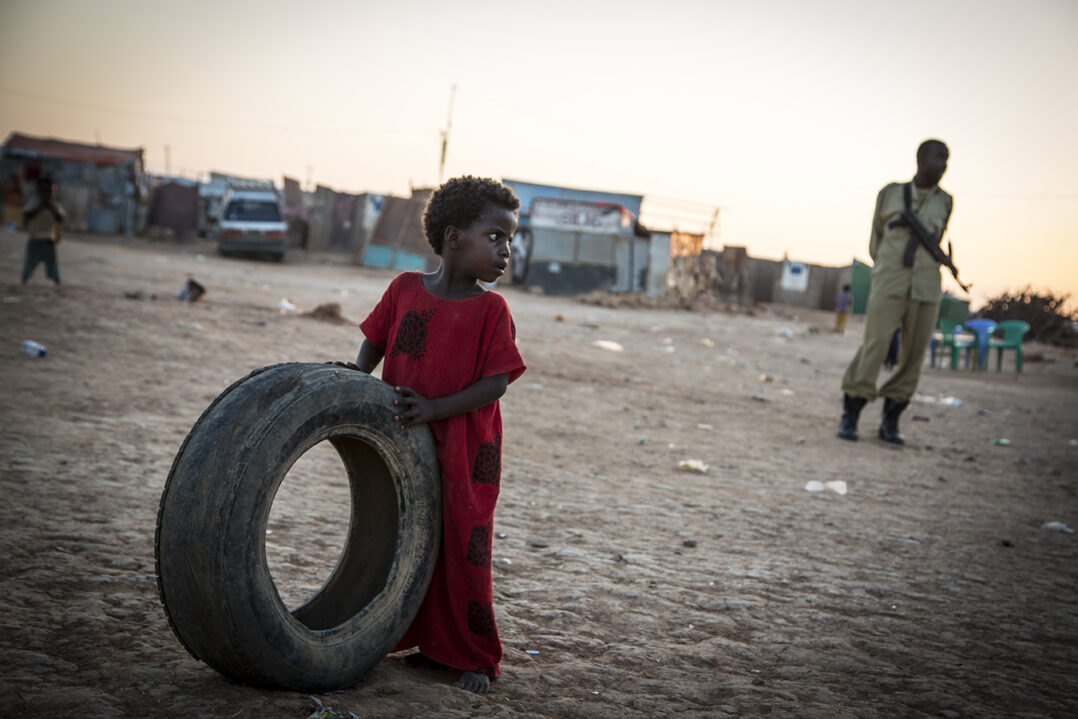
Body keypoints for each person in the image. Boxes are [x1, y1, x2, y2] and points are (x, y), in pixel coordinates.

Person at [336, 176, 525, 693]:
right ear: (453, 236)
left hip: (465, 450)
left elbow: (496, 383)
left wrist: (437, 408)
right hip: (401, 438)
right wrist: (354, 381)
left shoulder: (492, 310)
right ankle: (419, 639)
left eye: (511, 239)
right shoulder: (402, 289)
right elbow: (375, 341)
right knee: (405, 534)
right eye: (496, 236)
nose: (507, 250)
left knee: (462, 544)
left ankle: (474, 656)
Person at [837, 139, 954, 444]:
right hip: (890, 282)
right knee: (875, 345)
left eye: (946, 160)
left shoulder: (946, 201)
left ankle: (891, 420)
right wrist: (887, 268)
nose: (942, 165)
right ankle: (851, 412)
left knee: (914, 355)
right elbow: (875, 241)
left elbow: (937, 238)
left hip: (927, 286)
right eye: (937, 158)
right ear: (920, 160)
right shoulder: (890, 194)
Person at [21, 176, 66, 286]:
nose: (47, 194)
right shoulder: (34, 202)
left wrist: (50, 206)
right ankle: (24, 280)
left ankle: (57, 282)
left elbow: (61, 218)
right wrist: (40, 205)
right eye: (44, 191)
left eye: (49, 191)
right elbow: (27, 214)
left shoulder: (55, 205)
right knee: (30, 262)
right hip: (35, 239)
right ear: (39, 191)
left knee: (52, 263)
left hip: (49, 240)